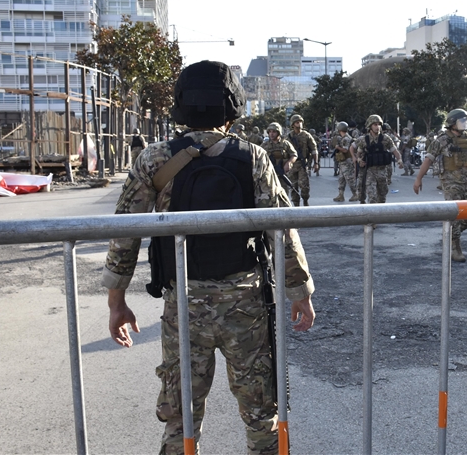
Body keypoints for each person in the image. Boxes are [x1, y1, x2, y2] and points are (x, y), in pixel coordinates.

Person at [102, 60, 316, 454]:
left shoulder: (154, 159)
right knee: (261, 415)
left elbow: (124, 235)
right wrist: (300, 292)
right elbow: (282, 230)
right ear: (233, 106)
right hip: (246, 307)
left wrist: (117, 302)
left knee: (180, 417)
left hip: (183, 306)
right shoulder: (253, 158)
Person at [414, 108, 467, 262]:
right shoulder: (442, 140)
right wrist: (418, 179)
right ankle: (455, 247)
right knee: (455, 215)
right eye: (462, 121)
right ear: (453, 123)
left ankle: (450, 235)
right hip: (451, 182)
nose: (466, 124)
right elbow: (428, 159)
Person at [349, 115, 403, 204]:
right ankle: (370, 211)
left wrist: (399, 160)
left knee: (382, 197)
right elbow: (353, 149)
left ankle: (379, 211)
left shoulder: (386, 139)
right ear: (370, 126)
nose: (377, 127)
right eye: (375, 124)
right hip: (369, 171)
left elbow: (395, 152)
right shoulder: (364, 139)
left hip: (382, 171)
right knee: (372, 197)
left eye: (379, 124)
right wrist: (357, 159)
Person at [285, 114, 318, 206]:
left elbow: (314, 149)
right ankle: (296, 204)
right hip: (292, 165)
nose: (299, 124)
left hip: (302, 164)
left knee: (304, 186)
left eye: (300, 122)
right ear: (292, 124)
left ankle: (305, 201)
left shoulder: (307, 135)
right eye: (297, 122)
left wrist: (316, 163)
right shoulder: (288, 137)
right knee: (293, 186)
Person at [262, 122, 297, 197]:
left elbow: (294, 155)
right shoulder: (265, 145)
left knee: (284, 194)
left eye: (274, 132)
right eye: (270, 132)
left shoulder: (285, 144)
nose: (271, 134)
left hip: (282, 172)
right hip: (269, 174)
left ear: (278, 132)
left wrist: (289, 163)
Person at [332, 121, 358, 202]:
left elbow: (345, 150)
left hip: (347, 162)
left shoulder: (346, 139)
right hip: (343, 162)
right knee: (341, 179)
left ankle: (355, 194)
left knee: (349, 179)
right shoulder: (344, 138)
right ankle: (341, 195)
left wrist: (337, 147)